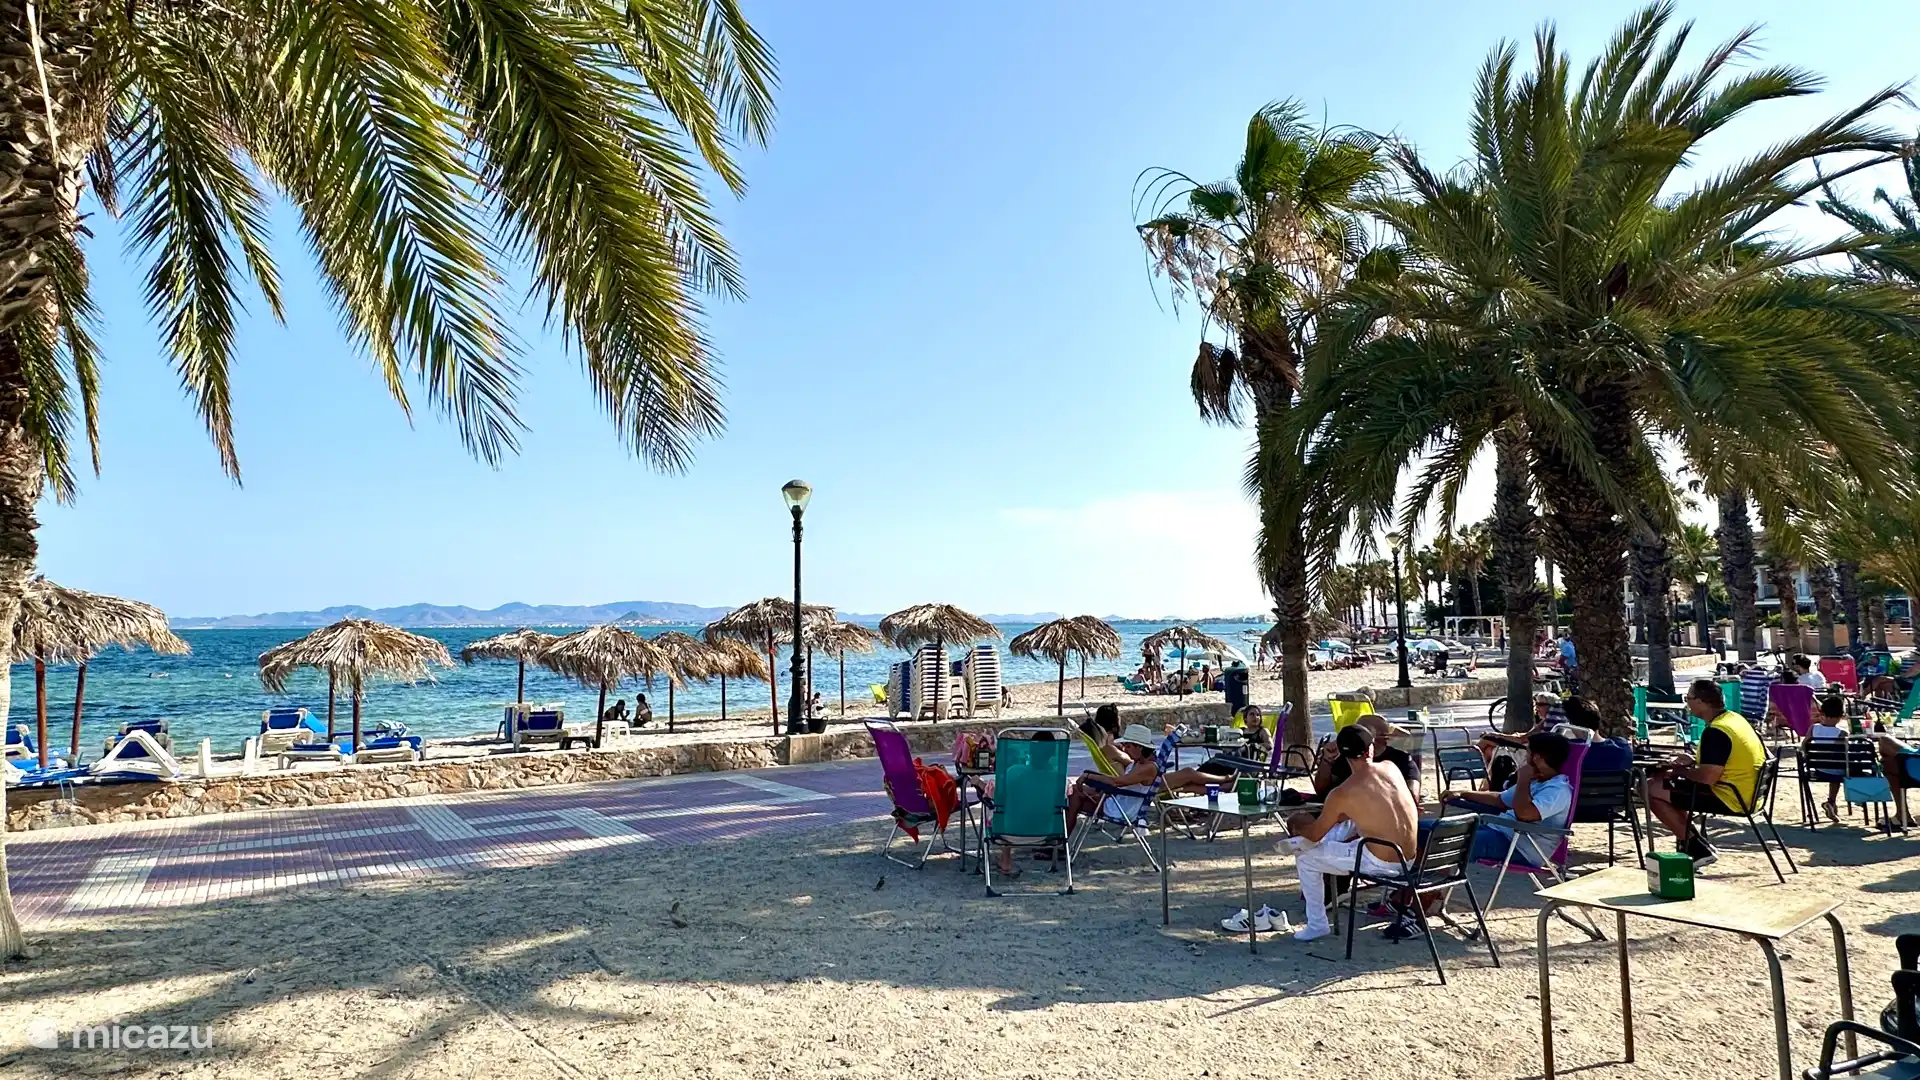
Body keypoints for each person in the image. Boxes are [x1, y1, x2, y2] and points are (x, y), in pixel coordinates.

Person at [1240, 724, 1418, 942]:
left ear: (1343, 754)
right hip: (1409, 859)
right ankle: (1304, 847)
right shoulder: (1391, 767)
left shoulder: (1343, 792)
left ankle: (1317, 924)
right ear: (1371, 749)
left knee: (1305, 857)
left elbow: (1314, 834)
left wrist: (1297, 826)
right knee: (1342, 829)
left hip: (1382, 864)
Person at [1644, 678, 1764, 865]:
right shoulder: (1734, 719)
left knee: (1650, 789)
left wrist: (1680, 771)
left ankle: (1696, 847)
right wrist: (1694, 763)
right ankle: (1694, 844)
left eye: (1688, 697)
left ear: (1700, 702)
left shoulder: (1716, 732)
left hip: (1730, 796)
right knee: (1666, 785)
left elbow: (1707, 778)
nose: (1687, 703)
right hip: (1747, 792)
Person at [1443, 731, 1576, 863]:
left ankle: (1435, 878)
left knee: (1440, 844)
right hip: (1499, 831)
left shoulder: (1558, 790)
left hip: (1520, 847)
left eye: (1528, 753)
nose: (1525, 758)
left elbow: (1524, 814)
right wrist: (1463, 793)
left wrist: (1523, 779)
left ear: (1537, 758)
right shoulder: (1538, 781)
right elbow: (1500, 799)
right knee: (1428, 830)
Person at [1062, 724, 1161, 836]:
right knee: (1074, 791)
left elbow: (1117, 782)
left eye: (1127, 746)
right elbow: (1121, 784)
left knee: (1074, 797)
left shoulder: (1148, 768)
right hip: (1117, 801)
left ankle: (1061, 840)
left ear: (1139, 747)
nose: (1124, 749)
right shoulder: (1139, 763)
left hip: (1121, 810)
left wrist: (1089, 776)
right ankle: (1061, 840)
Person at [1311, 713, 1417, 796]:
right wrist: (1327, 760)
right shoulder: (1346, 757)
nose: (1356, 736)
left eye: (1362, 733)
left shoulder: (1400, 760)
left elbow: (1413, 794)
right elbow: (1321, 791)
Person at [1804, 692, 1847, 823]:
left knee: (1833, 767)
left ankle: (1832, 804)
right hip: (1837, 770)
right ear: (1841, 716)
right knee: (1838, 770)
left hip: (1818, 768)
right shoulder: (1842, 733)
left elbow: (1804, 745)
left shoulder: (1813, 728)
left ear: (1822, 713)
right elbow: (1844, 754)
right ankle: (1831, 802)